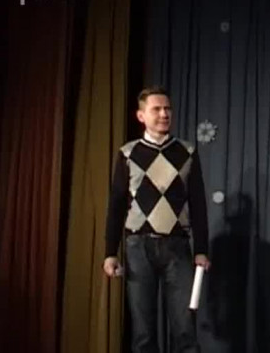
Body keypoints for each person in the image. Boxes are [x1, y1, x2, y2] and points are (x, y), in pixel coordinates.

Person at [102, 87, 210, 353]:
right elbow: (116, 204)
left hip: (177, 246)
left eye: (167, 109)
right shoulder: (128, 153)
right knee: (143, 332)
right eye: (157, 109)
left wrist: (201, 249)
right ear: (141, 116)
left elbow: (198, 204)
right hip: (138, 246)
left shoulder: (187, 151)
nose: (164, 114)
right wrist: (110, 252)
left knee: (185, 328)